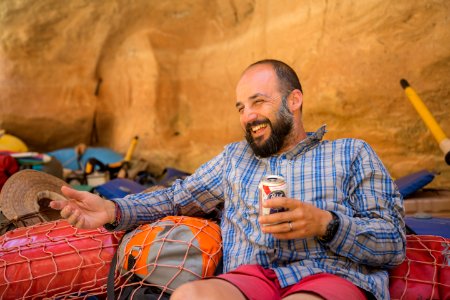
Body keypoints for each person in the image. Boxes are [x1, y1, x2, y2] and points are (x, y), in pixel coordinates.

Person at [50, 59, 406, 300]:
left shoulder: (350, 153)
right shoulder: (235, 158)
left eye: (258, 102)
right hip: (252, 277)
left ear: (294, 100)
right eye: (240, 107)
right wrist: (112, 209)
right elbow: (176, 197)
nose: (248, 116)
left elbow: (392, 243)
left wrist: (325, 224)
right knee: (190, 296)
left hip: (330, 275)